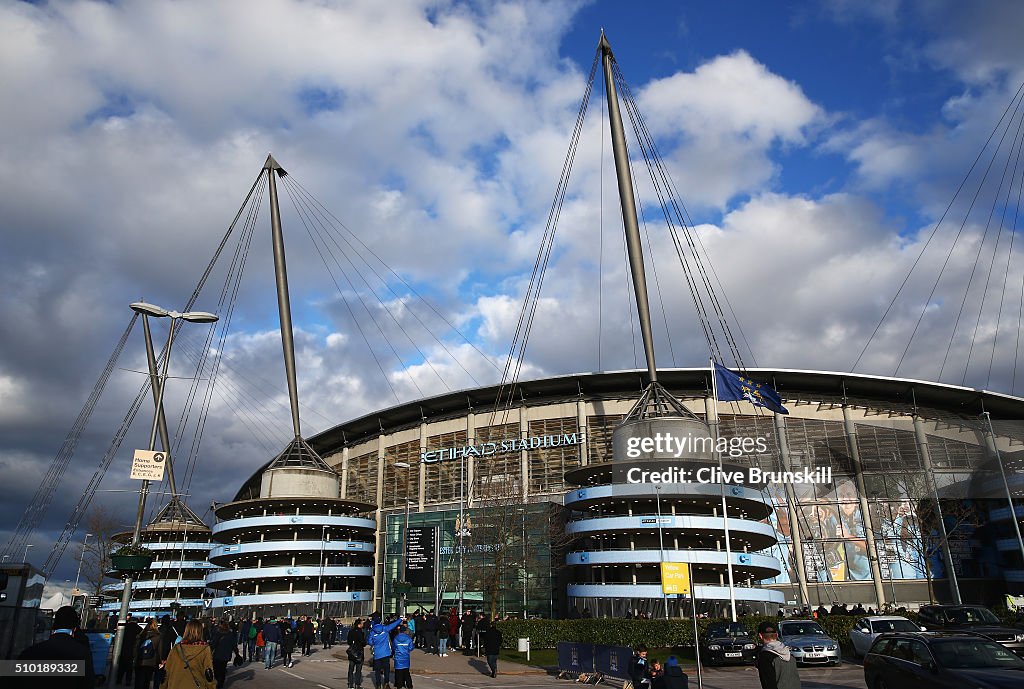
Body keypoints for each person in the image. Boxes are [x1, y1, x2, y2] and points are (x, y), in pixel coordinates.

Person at [16, 605, 95, 689]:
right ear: (75, 628)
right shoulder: (82, 653)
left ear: (54, 625)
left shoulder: (30, 652)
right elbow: (88, 683)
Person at [160, 620, 215, 689]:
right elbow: (208, 673)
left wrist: (163, 686)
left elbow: (167, 672)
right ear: (200, 632)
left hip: (175, 685)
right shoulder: (205, 649)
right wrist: (212, 686)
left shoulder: (176, 648)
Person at [756, 621, 800, 689]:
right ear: (776, 635)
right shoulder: (790, 655)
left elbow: (768, 683)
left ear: (760, 636)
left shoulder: (765, 657)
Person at [367, 615, 404, 689]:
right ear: (380, 622)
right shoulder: (385, 629)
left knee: (377, 671)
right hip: (386, 653)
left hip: (377, 654)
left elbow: (370, 642)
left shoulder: (372, 632)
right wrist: (400, 619)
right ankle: (386, 683)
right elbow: (393, 625)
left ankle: (378, 685)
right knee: (386, 669)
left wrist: (375, 642)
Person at [209, 620, 237, 689]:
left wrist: (209, 652)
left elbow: (213, 644)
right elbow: (234, 645)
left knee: (216, 670)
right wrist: (237, 653)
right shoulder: (230, 634)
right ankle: (221, 684)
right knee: (223, 670)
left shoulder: (218, 633)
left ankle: (216, 683)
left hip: (217, 655)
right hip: (226, 655)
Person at [134, 618, 162, 689]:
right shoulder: (158, 636)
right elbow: (159, 651)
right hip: (151, 662)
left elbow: (135, 648)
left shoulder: (141, 635)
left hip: (139, 661)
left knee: (138, 681)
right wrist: (160, 661)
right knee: (147, 681)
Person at [392, 624, 414, 689]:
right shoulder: (408, 638)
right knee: (406, 673)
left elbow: (393, 647)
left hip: (398, 658)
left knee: (399, 673)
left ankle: (399, 686)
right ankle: (409, 686)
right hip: (405, 657)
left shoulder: (396, 638)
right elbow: (411, 648)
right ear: (405, 631)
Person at [347, 618, 366, 689]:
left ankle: (350, 684)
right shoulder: (360, 632)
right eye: (362, 624)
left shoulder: (351, 631)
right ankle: (357, 684)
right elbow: (363, 642)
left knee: (351, 669)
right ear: (359, 625)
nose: (363, 625)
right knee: (358, 670)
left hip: (352, 652)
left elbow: (348, 641)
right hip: (359, 652)